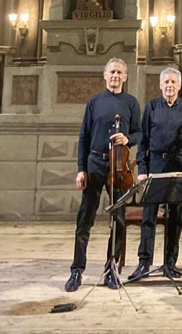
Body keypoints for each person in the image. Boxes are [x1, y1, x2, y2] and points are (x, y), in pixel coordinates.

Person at [65, 57, 141, 292]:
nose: (116, 76)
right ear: (105, 75)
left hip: (119, 166)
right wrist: (81, 168)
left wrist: (128, 139)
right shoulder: (94, 102)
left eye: (120, 72)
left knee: (118, 219)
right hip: (95, 162)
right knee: (85, 218)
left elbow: (140, 135)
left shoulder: (131, 103)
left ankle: (111, 270)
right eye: (112, 72)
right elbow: (84, 137)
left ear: (125, 77)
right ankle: (77, 271)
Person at [127, 67, 182, 282]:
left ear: (179, 86)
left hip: (177, 163)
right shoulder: (151, 107)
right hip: (155, 163)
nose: (169, 85)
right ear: (160, 86)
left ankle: (170, 264)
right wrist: (142, 169)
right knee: (149, 215)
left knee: (175, 217)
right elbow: (143, 140)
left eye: (173, 82)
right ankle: (144, 262)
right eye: (166, 82)